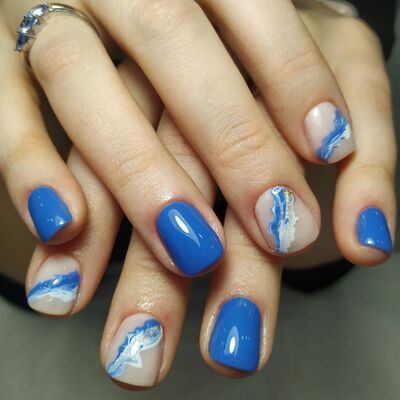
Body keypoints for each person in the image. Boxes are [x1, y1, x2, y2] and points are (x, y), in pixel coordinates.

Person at [0, 0, 397, 390]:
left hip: (285, 58)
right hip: (67, 82)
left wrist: (329, 13)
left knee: (311, 254)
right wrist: (34, 26)